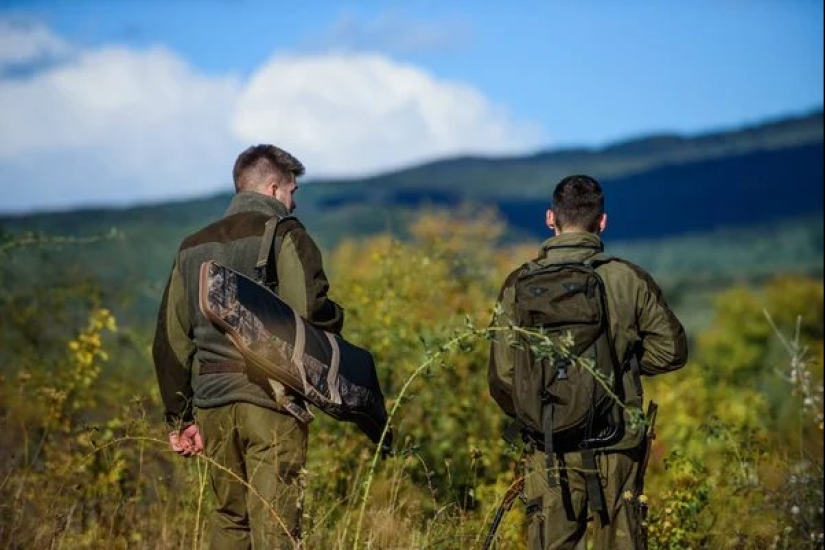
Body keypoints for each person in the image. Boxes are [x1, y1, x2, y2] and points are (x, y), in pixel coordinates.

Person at [152, 144, 344, 549]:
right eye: (293, 191)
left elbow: (170, 341)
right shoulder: (286, 233)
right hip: (269, 400)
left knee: (230, 519)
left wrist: (180, 416)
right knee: (276, 519)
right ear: (274, 189)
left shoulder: (191, 247)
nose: (293, 202)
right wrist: (336, 321)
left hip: (212, 406)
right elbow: (310, 310)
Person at [488, 174, 688, 550]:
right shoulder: (627, 279)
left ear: (551, 218)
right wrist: (618, 365)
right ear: (602, 221)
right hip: (617, 441)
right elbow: (672, 352)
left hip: (549, 448)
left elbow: (503, 376)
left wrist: (540, 414)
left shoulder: (518, 284)